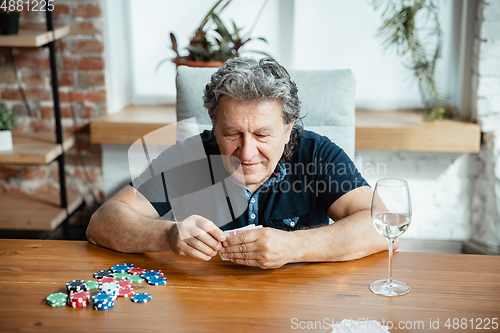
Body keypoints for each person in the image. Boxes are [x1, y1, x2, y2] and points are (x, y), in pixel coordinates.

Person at [87, 57, 390, 269]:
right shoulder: (188, 156)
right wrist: (166, 235)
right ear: (214, 127)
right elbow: (102, 223)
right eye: (232, 133)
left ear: (288, 130)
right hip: (206, 307)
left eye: (262, 134)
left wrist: (295, 247)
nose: (246, 153)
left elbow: (382, 225)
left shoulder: (317, 154)